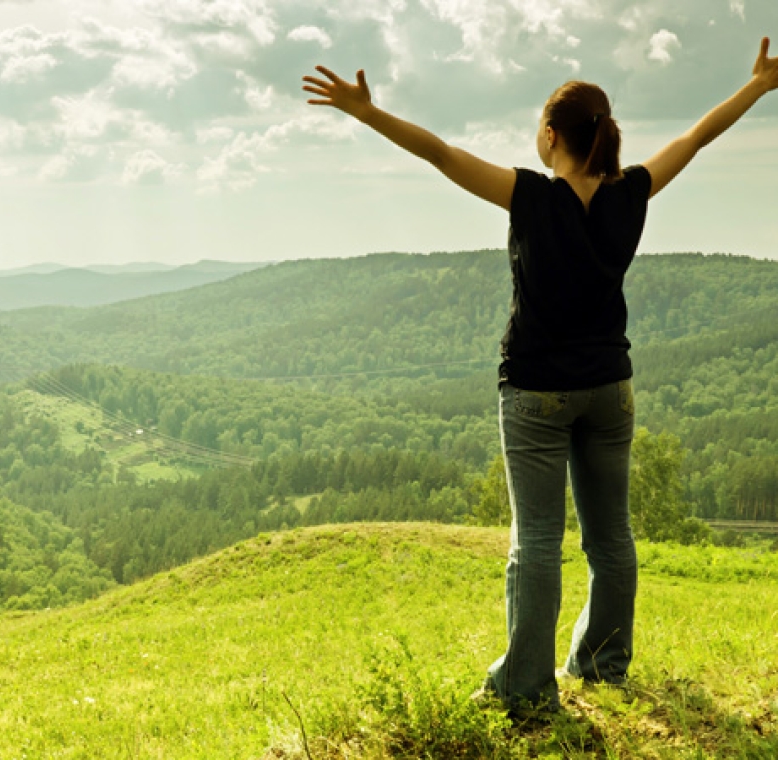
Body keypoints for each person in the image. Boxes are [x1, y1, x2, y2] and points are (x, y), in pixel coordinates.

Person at [303, 38, 778, 713]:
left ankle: (526, 687)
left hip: (534, 394)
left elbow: (439, 154)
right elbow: (697, 136)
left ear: (552, 136)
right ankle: (603, 665)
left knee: (537, 545)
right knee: (611, 537)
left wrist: (365, 113)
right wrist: (756, 88)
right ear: (602, 136)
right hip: (610, 388)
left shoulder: (530, 195)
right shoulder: (632, 192)